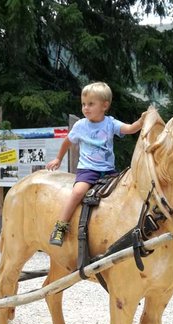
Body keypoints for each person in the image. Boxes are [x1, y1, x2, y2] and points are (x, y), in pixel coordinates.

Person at [45, 82, 144, 246]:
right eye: (84, 104)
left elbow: (130, 129)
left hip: (108, 170)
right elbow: (67, 142)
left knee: (125, 191)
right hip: (88, 169)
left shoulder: (110, 123)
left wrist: (141, 122)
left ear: (105, 105)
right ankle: (61, 226)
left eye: (91, 104)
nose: (86, 108)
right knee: (77, 192)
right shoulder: (80, 126)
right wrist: (58, 159)